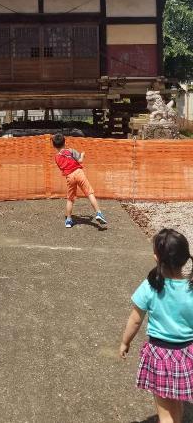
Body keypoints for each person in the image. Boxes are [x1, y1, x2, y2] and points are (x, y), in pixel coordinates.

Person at [119, 228, 193, 423]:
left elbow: (135, 319)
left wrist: (125, 342)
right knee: (177, 402)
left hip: (161, 356)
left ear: (156, 257)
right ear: (185, 258)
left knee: (164, 411)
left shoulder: (151, 286)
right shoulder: (191, 288)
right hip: (187, 354)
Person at [52, 132, 107, 228]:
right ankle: (98, 213)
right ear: (65, 143)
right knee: (89, 193)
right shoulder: (70, 151)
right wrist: (82, 155)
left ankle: (68, 220)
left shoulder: (56, 158)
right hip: (79, 172)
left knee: (70, 198)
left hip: (69, 176)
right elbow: (80, 160)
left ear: (54, 146)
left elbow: (62, 167)